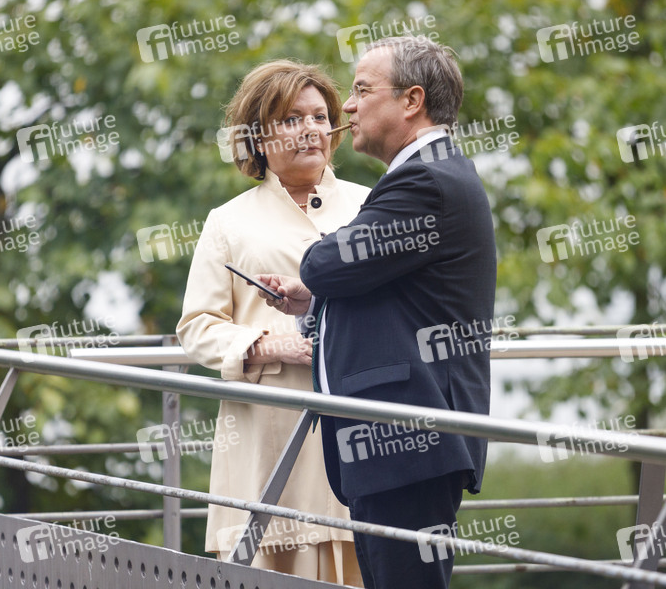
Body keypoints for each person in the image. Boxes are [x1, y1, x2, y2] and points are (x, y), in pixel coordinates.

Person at [257, 36, 497, 589]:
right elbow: (394, 291)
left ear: (412, 101)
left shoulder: (425, 180)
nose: (347, 106)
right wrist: (317, 301)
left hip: (408, 441)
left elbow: (324, 263)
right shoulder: (435, 173)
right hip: (406, 443)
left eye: (362, 90)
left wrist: (317, 274)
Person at [176, 59, 369, 586]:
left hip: (359, 430)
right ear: (258, 137)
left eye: (320, 116)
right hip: (267, 434)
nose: (310, 129)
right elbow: (196, 326)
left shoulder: (371, 206)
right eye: (291, 119)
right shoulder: (228, 221)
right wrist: (269, 346)